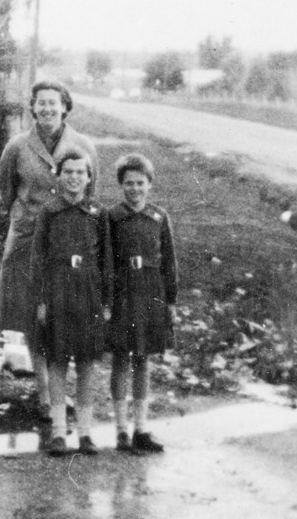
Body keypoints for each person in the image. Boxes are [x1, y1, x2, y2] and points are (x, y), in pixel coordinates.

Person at [0, 81, 99, 422]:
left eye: (53, 104)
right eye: (41, 104)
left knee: (65, 310)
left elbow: (88, 192)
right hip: (27, 238)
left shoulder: (82, 145)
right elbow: (6, 190)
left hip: (68, 240)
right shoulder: (17, 146)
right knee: (30, 313)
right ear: (33, 108)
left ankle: (62, 389)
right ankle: (44, 393)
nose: (47, 110)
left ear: (65, 107)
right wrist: (25, 218)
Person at [30, 149, 112, 456]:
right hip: (58, 293)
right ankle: (58, 432)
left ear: (89, 178)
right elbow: (38, 259)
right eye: (68, 172)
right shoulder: (49, 212)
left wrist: (106, 302)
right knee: (58, 360)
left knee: (88, 363)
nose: (74, 178)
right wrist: (40, 300)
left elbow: (107, 260)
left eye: (80, 172)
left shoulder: (98, 213)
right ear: (58, 176)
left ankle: (86, 432)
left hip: (89, 293)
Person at [108, 153, 179, 453]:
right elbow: (107, 261)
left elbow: (169, 262)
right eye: (128, 183)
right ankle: (121, 430)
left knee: (143, 359)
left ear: (149, 184)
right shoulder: (112, 217)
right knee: (121, 358)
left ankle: (141, 428)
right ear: (121, 185)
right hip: (124, 289)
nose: (134, 189)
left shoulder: (159, 217)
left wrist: (171, 300)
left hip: (151, 291)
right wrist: (107, 300)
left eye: (140, 183)